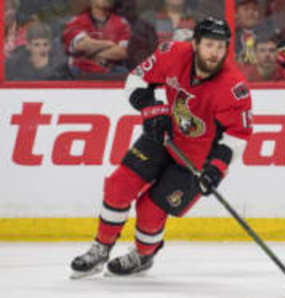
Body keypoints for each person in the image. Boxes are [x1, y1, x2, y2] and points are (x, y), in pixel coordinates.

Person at [70, 16, 253, 278]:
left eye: (221, 47)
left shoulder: (233, 88)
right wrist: (152, 110)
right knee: (119, 184)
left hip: (195, 159)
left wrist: (216, 170)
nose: (215, 53)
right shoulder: (172, 54)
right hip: (164, 136)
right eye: (210, 45)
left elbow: (238, 135)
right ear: (196, 44)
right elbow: (136, 79)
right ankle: (100, 248)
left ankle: (144, 256)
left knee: (150, 210)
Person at [62, 0, 131, 78]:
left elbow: (123, 52)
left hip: (111, 73)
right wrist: (109, 44)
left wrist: (88, 55)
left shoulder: (121, 23)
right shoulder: (77, 21)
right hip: (80, 73)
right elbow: (81, 45)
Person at [6, 21, 71, 80]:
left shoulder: (60, 67)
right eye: (36, 45)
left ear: (50, 46)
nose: (42, 49)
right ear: (28, 46)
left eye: (45, 44)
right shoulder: (14, 65)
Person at [235, 0, 275, 65]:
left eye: (255, 9)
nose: (251, 13)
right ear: (236, 14)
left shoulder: (268, 37)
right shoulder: (231, 39)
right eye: (246, 9)